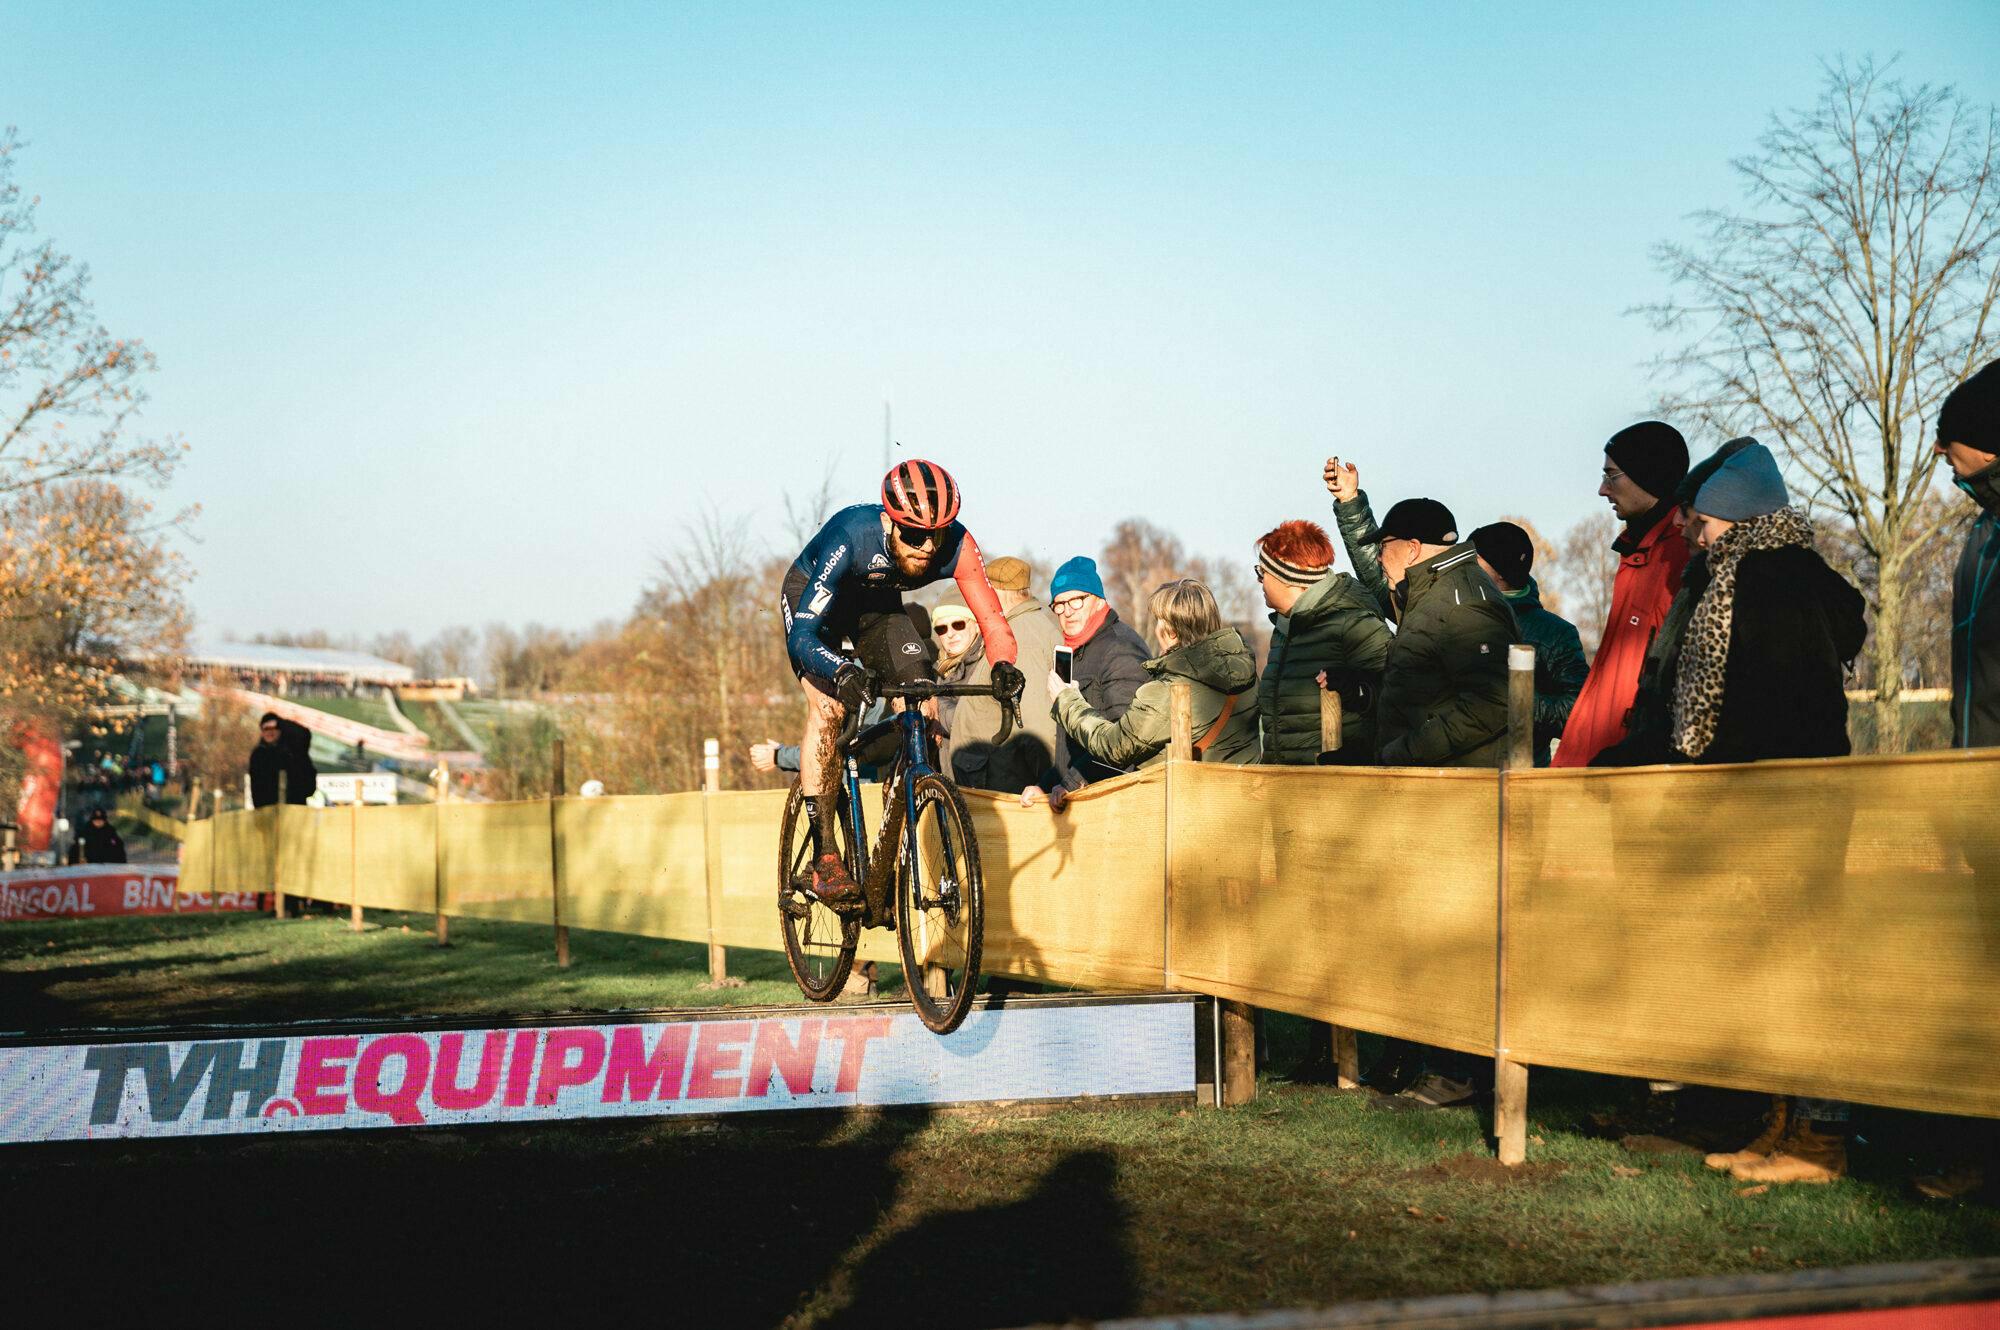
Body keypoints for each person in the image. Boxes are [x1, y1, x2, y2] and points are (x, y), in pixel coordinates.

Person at [1665, 442, 1866, 1186]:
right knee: (1774, 963)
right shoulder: (1753, 575)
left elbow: (1781, 703)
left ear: (1736, 517)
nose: (1694, 535)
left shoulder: (1768, 580)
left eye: (1702, 523)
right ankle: (1783, 1121)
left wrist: (1722, 771)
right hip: (1776, 801)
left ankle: (1819, 1137)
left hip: (1787, 804)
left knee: (1804, 964)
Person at [781, 460, 1023, 900]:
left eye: (937, 535)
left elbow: (992, 621)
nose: (927, 548)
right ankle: (825, 856)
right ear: (890, 523)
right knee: (829, 708)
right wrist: (840, 670)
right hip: (815, 607)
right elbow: (803, 637)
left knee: (923, 701)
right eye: (913, 535)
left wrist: (1004, 665)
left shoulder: (959, 546)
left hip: (877, 608)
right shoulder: (852, 535)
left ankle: (891, 841)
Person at [1591, 437, 1759, 768]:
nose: (1679, 523)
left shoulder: (1742, 586)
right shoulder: (1692, 576)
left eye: (1692, 513)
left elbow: (1756, 716)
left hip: (1733, 784)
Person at [1551, 421, 1691, 767]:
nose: (1602, 490)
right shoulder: (1637, 552)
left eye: (1612, 476)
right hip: (1606, 759)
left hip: (1631, 766)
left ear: (1648, 477)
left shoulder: (1676, 557)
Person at [1045, 579, 1261, 769]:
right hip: (1243, 797)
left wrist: (1067, 701)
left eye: (1158, 620)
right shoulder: (1246, 676)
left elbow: (1114, 747)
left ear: (1171, 632)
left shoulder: (1168, 690)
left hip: (1190, 799)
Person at [1255, 518, 1391, 765]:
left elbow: (1397, 691)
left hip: (1337, 781)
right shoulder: (1285, 630)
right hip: (1285, 782)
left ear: (1287, 576)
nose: (1259, 580)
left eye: (1262, 572)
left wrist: (1359, 690)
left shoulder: (1353, 622)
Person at [1022, 556, 1151, 809]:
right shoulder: (1074, 652)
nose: (1067, 611)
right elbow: (1070, 751)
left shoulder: (1121, 650)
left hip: (1114, 804)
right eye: (1059, 604)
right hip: (1080, 800)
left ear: (1099, 600)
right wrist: (1044, 787)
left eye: (1077, 600)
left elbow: (1125, 744)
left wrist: (1071, 784)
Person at [1469, 522, 1588, 766]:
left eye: (1474, 560)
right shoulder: (1453, 616)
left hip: (1522, 775)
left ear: (1500, 572)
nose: (1464, 568)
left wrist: (1519, 702)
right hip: (1453, 777)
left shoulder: (1555, 633)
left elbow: (1579, 712)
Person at [944, 556, 1062, 795]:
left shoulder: (1021, 637)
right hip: (996, 779)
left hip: (1004, 786)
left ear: (996, 592)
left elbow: (1036, 724)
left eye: (982, 590)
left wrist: (1047, 786)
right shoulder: (1021, 627)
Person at [1939, 359, 2000, 749]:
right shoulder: (1982, 534)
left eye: (1950, 435)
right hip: (1975, 769)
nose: (1938, 448)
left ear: (1989, 447)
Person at [248, 713, 318, 808]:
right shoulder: (258, 755)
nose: (270, 732)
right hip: (267, 810)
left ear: (281, 730)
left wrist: (282, 723)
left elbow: (304, 734)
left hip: (294, 808)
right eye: (266, 729)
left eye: (274, 728)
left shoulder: (292, 752)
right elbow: (256, 787)